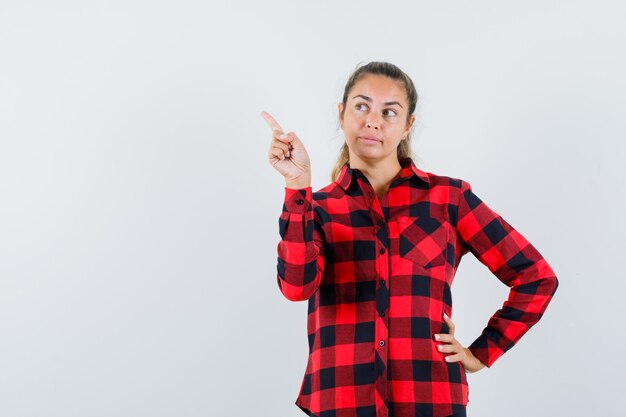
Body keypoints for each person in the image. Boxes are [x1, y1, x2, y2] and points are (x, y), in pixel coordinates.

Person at [262, 61, 558, 417]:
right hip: (341, 403)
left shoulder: (449, 200)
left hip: (430, 402)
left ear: (408, 126)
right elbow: (296, 287)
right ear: (341, 114)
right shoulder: (317, 207)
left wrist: (482, 352)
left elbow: (535, 277)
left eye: (389, 112)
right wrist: (297, 187)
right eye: (362, 106)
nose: (373, 121)